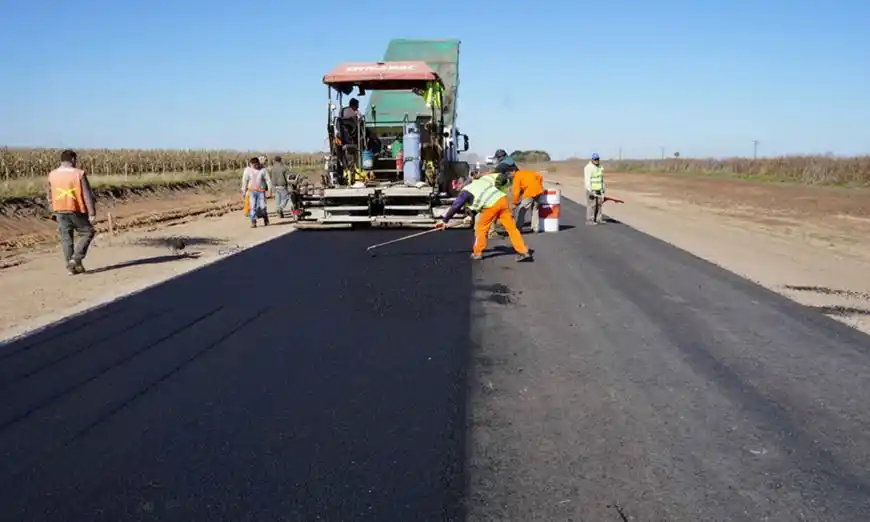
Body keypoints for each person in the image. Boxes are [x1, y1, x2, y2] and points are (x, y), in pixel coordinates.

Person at [435, 171, 532, 262]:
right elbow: (478, 201)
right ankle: (524, 251)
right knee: (512, 229)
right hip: (502, 201)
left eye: (458, 187)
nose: (458, 190)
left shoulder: (466, 191)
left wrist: (445, 220)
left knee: (481, 229)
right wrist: (470, 217)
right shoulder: (479, 182)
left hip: (490, 206)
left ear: (462, 184)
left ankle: (477, 253)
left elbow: (456, 206)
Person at [47, 149, 97, 275]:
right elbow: (87, 194)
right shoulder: (78, 174)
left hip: (59, 209)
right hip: (76, 209)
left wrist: (52, 209)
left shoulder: (52, 174)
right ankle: (75, 259)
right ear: (73, 159)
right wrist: (92, 212)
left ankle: (72, 267)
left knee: (66, 239)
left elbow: (49, 194)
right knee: (88, 232)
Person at [242, 157, 272, 227]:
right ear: (250, 164)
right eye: (253, 165)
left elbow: (268, 180)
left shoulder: (263, 170)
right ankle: (253, 222)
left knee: (263, 207)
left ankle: (265, 219)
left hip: (261, 191)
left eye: (256, 165)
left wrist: (269, 190)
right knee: (252, 207)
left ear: (258, 163)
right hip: (252, 191)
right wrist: (244, 190)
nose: (255, 166)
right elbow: (244, 181)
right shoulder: (247, 170)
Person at [512, 168, 545, 233]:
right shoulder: (527, 172)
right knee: (535, 209)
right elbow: (540, 177)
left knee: (522, 209)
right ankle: (535, 228)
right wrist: (540, 186)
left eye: (510, 173)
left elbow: (516, 191)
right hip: (538, 190)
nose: (511, 175)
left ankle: (518, 228)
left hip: (530, 192)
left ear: (514, 171)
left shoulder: (517, 175)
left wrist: (515, 202)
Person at [584, 153, 605, 224]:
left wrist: (603, 189)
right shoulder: (588, 167)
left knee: (599, 204)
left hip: (599, 188)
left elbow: (601, 179)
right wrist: (590, 190)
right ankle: (590, 220)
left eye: (597, 159)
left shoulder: (600, 167)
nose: (596, 160)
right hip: (591, 189)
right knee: (592, 205)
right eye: (595, 159)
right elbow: (587, 179)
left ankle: (598, 218)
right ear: (592, 159)